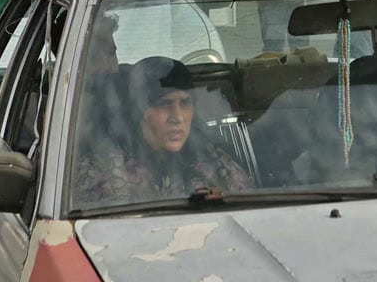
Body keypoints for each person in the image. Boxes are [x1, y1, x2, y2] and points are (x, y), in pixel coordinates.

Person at [74, 56, 252, 207]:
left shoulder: (212, 161)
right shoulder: (101, 174)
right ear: (139, 111)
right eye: (164, 104)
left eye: (185, 103)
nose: (178, 117)